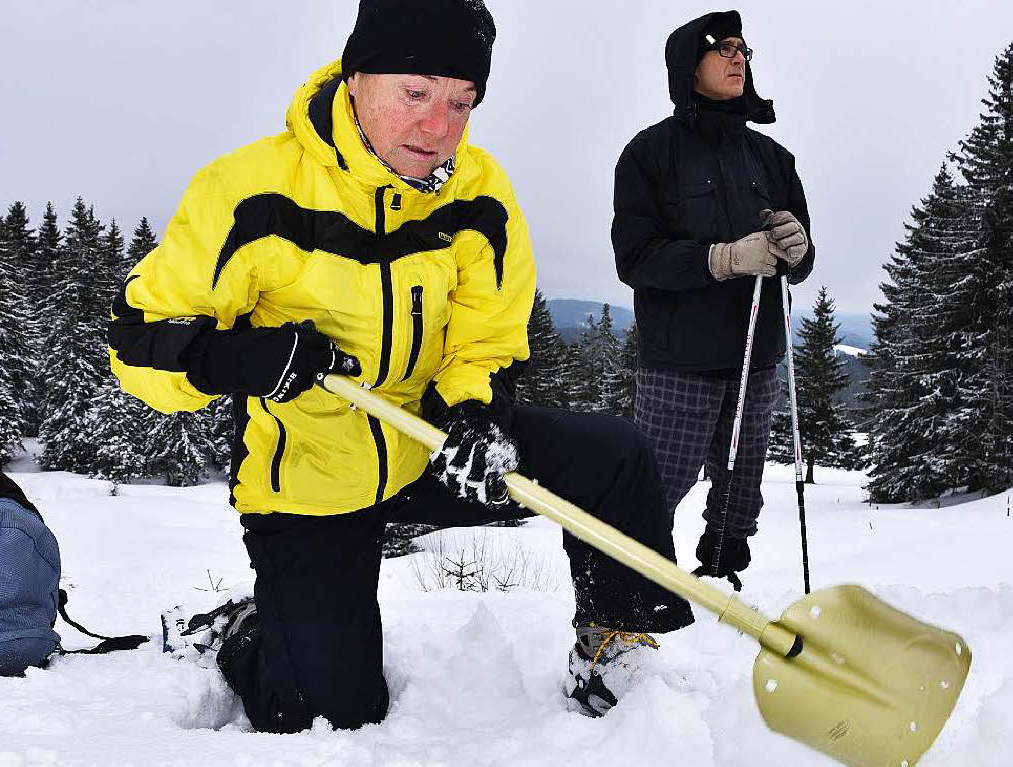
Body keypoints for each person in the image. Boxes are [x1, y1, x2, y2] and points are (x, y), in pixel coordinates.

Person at [109, 0, 694, 731]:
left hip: (424, 444)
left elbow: (485, 336)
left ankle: (613, 636)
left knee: (615, 457)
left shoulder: (478, 194)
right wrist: (236, 356)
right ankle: (245, 631)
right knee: (328, 712)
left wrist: (475, 415)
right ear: (356, 78)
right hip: (312, 477)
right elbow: (137, 341)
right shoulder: (250, 191)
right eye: (416, 92)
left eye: (461, 101)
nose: (438, 127)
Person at [611, 10, 815, 590]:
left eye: (743, 49)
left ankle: (721, 577)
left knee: (740, 486)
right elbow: (636, 257)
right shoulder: (650, 155)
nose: (738, 58)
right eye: (722, 48)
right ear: (687, 66)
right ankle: (631, 589)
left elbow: (804, 262)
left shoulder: (774, 160)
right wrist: (722, 259)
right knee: (659, 481)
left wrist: (796, 251)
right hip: (681, 357)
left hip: (759, 354)